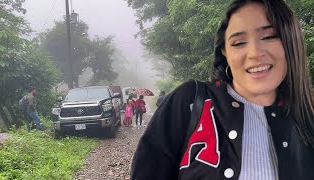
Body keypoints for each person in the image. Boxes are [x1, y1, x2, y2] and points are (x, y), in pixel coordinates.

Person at [130, 0, 314, 179]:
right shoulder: (188, 102)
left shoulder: (307, 122)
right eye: (239, 43)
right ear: (225, 52)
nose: (255, 53)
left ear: (292, 41)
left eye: (269, 36)